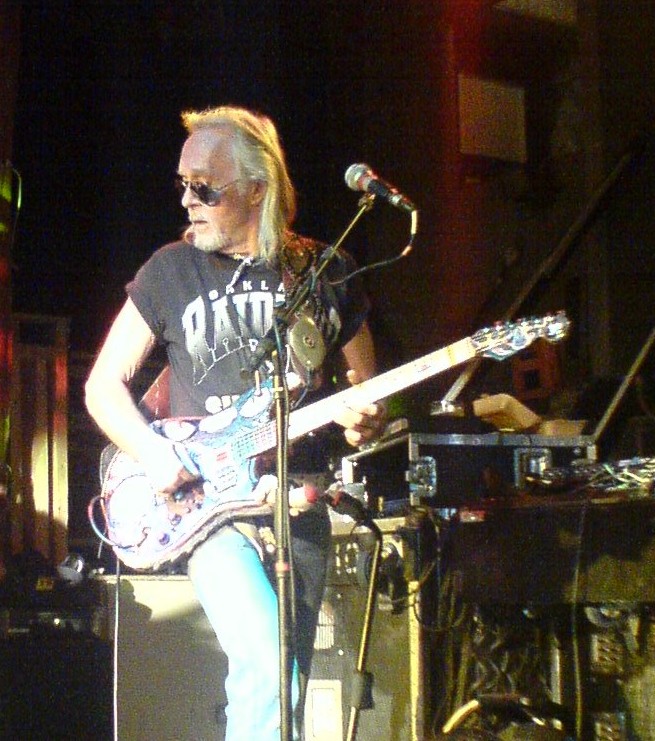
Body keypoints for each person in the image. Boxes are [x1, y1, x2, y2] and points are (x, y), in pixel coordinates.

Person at [84, 104, 387, 740]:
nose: (187, 201)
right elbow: (102, 387)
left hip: (297, 504)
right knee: (267, 667)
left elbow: (367, 391)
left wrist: (366, 421)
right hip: (211, 509)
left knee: (287, 687)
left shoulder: (325, 273)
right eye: (183, 185)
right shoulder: (171, 270)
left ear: (256, 188)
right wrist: (155, 454)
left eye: (205, 187)